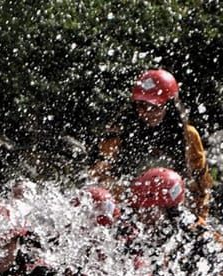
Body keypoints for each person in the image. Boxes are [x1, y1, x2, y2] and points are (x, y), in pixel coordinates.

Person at [90, 69, 213, 222]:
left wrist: (200, 219)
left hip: (170, 209)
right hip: (132, 209)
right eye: (142, 106)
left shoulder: (188, 135)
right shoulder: (119, 133)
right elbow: (99, 175)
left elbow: (201, 184)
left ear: (169, 105)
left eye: (155, 107)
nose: (147, 112)